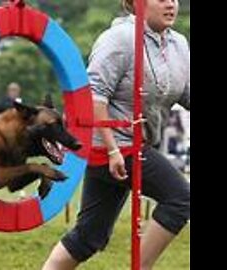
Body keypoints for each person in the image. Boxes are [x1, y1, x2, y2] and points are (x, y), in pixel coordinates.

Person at [42, 0, 190, 269]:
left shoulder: (179, 44)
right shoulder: (119, 39)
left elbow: (186, 94)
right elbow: (93, 97)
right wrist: (112, 150)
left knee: (89, 236)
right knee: (180, 199)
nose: (171, 4)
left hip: (135, 146)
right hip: (110, 145)